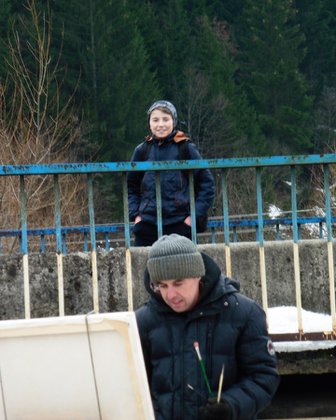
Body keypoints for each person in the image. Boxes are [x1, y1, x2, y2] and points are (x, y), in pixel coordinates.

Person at [136, 234, 280, 420]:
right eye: (162, 286)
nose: (171, 294)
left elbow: (263, 378)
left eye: (178, 283)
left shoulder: (243, 313)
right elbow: (132, 387)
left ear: (198, 275)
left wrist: (231, 406)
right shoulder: (143, 321)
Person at [128, 100, 215, 247]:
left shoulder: (186, 148)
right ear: (149, 123)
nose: (160, 124)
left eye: (165, 119)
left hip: (180, 224)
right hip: (147, 225)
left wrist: (192, 218)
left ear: (173, 121)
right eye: (155, 120)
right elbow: (131, 186)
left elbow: (207, 184)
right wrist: (136, 216)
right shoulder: (142, 151)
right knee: (144, 269)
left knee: (184, 269)